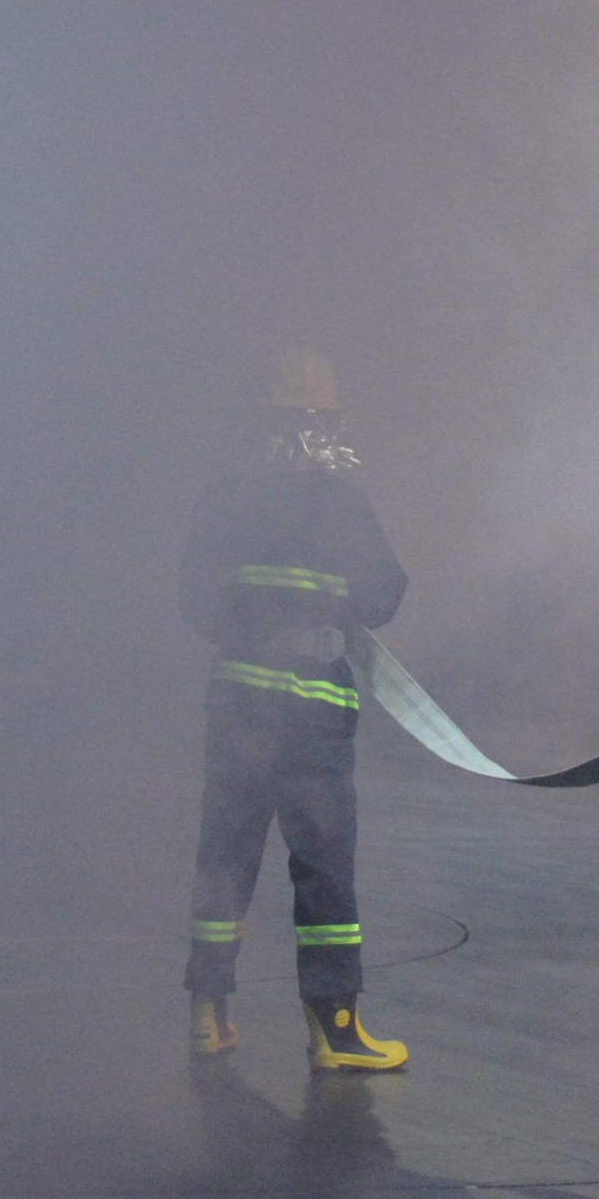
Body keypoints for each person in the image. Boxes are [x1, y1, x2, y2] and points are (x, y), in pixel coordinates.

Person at [180, 348, 412, 1073]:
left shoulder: (224, 500)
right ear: (327, 423)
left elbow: (195, 601)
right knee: (323, 873)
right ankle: (336, 1030)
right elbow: (385, 597)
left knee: (225, 858)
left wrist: (253, 626)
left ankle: (207, 1013)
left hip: (238, 708)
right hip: (311, 718)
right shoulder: (341, 504)